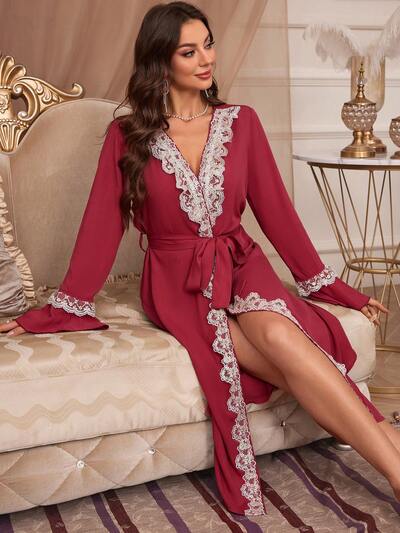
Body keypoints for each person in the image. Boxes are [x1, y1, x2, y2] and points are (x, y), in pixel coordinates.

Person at [0, 0, 396, 517]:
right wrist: (59, 308)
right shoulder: (127, 137)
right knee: (261, 354)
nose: (206, 58)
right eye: (189, 51)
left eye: (208, 44)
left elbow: (277, 214)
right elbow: (100, 228)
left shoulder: (241, 122)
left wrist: (332, 287)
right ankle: (391, 454)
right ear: (161, 61)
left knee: (281, 337)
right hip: (176, 279)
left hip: (242, 262)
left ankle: (393, 471)